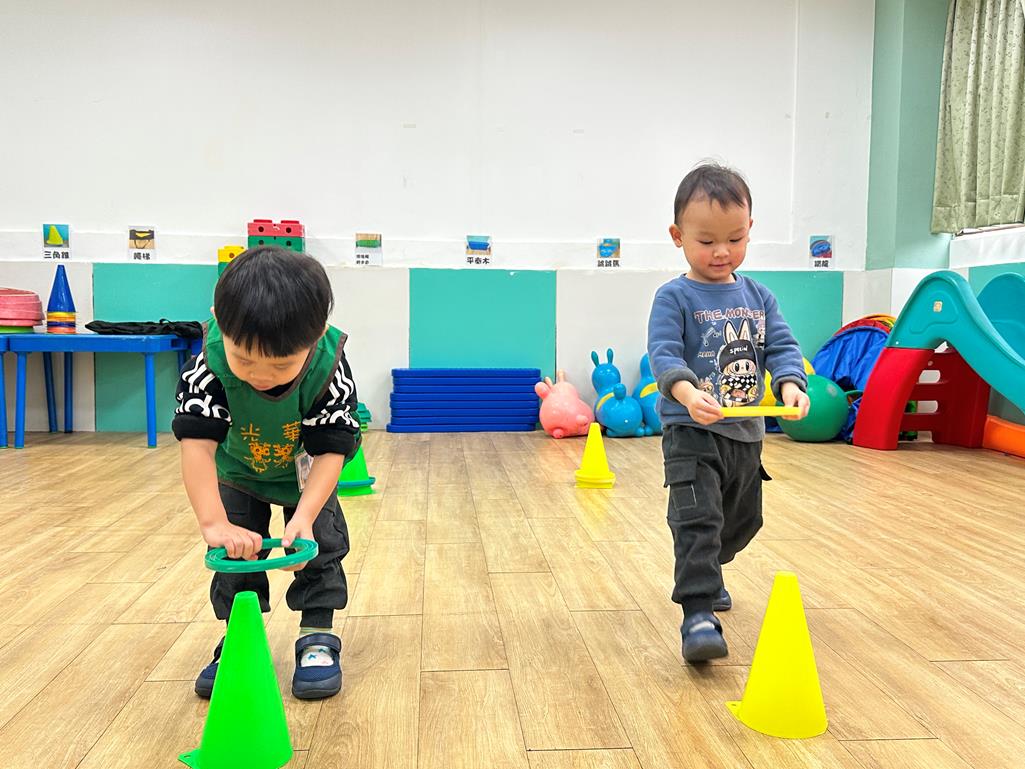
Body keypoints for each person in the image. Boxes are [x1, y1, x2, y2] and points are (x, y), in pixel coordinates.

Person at [173, 245, 361, 698]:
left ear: (316, 335)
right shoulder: (208, 364)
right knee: (235, 555)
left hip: (305, 474)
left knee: (321, 547)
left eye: (281, 365)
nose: (261, 376)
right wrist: (213, 522)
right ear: (218, 319)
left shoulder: (328, 366)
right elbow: (196, 444)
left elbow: (331, 450)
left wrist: (305, 516)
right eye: (243, 360)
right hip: (238, 471)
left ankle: (317, 635)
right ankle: (241, 636)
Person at [647, 163, 810, 663]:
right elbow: (663, 355)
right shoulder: (674, 297)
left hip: (746, 435)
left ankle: (710, 567)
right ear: (678, 236)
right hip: (690, 431)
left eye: (735, 239)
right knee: (698, 519)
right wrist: (686, 393)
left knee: (741, 521)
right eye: (706, 241)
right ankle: (697, 613)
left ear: (749, 229)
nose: (722, 251)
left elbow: (782, 347)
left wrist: (790, 384)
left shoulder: (759, 297)